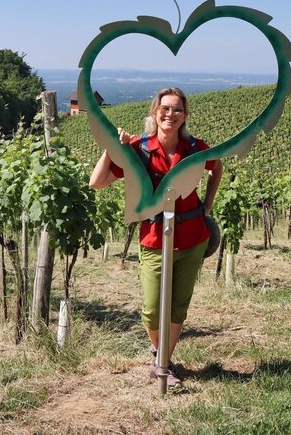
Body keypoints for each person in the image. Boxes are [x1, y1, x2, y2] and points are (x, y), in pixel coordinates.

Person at [89, 87, 223, 389]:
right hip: (154, 237)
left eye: (177, 109)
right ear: (155, 112)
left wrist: (208, 204)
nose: (170, 114)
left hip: (192, 237)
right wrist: (112, 148)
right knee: (152, 308)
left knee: (178, 305)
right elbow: (97, 182)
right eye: (165, 108)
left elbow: (217, 167)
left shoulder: (195, 148)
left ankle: (163, 362)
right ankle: (159, 353)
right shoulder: (139, 148)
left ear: (185, 115)